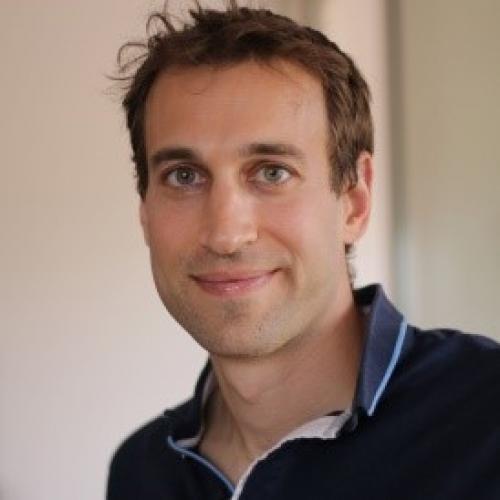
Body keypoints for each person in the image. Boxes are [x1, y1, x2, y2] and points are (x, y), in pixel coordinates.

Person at [107, 3, 500, 499]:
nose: (225, 234)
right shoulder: (142, 473)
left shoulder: (487, 424)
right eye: (183, 176)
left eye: (272, 172)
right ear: (145, 211)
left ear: (354, 201)